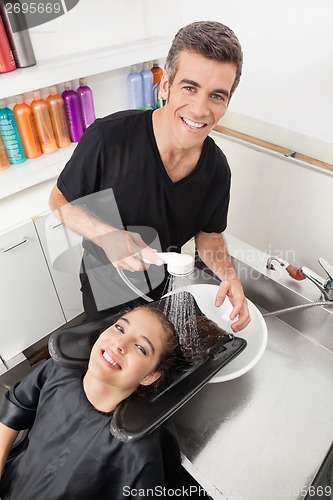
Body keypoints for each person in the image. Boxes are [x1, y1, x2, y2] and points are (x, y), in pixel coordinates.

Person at [49, 20, 251, 332]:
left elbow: (209, 235)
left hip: (162, 287)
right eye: (189, 87)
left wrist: (229, 275)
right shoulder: (108, 138)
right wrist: (108, 237)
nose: (199, 110)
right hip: (104, 291)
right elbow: (59, 201)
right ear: (166, 85)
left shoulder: (217, 169)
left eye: (216, 96)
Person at [0, 306, 184, 499]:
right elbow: (13, 411)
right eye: (120, 328)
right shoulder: (57, 371)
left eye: (140, 348)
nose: (120, 343)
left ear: (150, 377)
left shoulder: (139, 449)